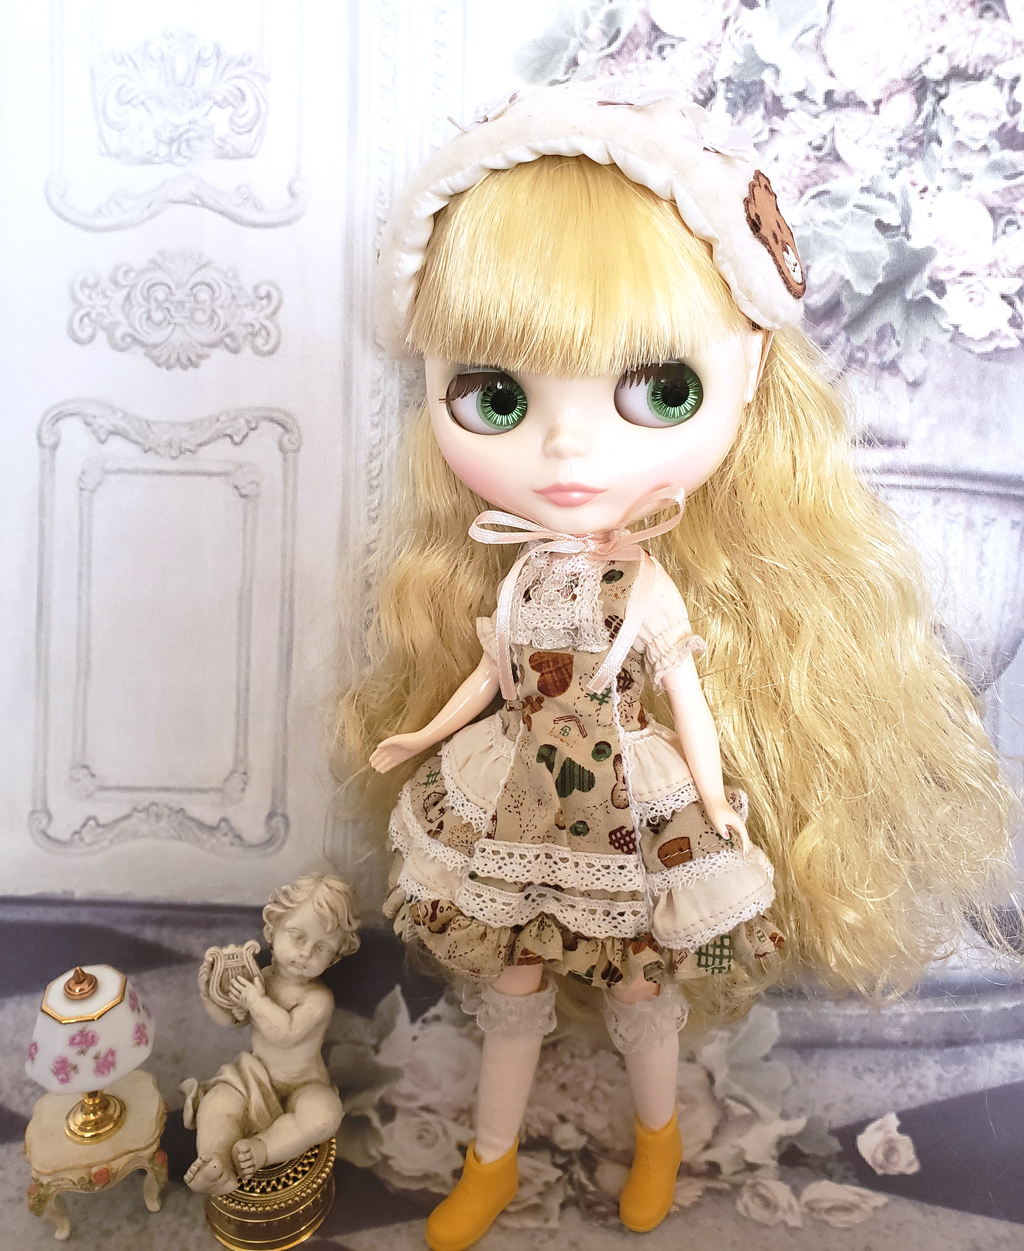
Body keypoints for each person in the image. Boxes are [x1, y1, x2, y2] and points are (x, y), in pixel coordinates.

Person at [341, 82, 1014, 1251]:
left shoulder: (644, 586)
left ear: (746, 373)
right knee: (512, 987)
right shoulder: (521, 575)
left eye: (657, 391)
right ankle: (491, 1161)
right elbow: (496, 674)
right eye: (495, 396)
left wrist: (710, 799)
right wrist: (423, 735)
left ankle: (656, 1140)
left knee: (640, 984)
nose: (564, 446)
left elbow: (686, 697)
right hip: (514, 796)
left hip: (624, 801)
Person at [183, 874, 360, 1195]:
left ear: (334, 957)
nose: (305, 953)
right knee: (218, 1101)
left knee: (324, 1115)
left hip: (304, 1084)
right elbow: (233, 1020)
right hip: (254, 1075)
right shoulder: (261, 979)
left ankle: (261, 1149)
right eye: (297, 936)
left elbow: (285, 1034)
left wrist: (256, 1001)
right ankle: (215, 1161)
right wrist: (211, 995)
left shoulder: (318, 1000)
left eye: (321, 948)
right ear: (272, 930)